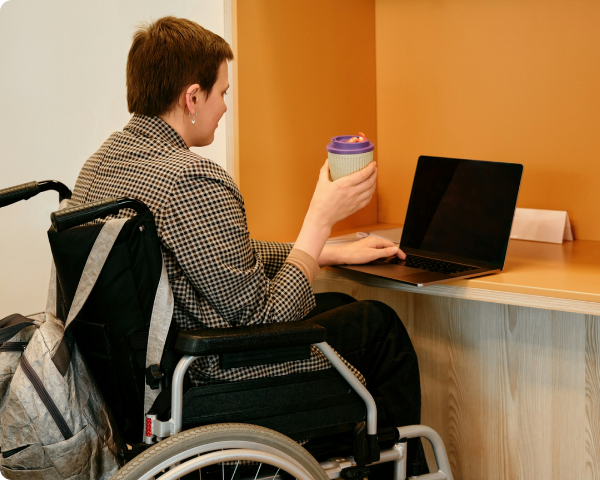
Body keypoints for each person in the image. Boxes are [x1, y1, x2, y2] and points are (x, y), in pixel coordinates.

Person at [68, 16, 426, 475]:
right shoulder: (191, 178)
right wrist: (320, 218)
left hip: (140, 378)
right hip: (213, 373)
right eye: (222, 93)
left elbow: (215, 257)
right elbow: (267, 317)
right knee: (378, 327)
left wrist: (324, 252)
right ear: (192, 97)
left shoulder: (101, 167)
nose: (223, 107)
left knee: (334, 300)